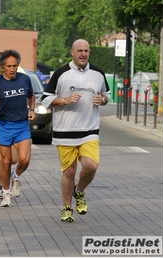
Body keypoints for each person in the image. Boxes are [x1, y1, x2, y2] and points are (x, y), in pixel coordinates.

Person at [41, 39, 110, 222]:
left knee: (91, 166)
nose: (83, 54)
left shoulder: (98, 73)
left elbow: (106, 94)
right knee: (69, 172)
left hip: (90, 130)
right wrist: (64, 100)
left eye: (86, 50)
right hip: (65, 131)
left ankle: (79, 191)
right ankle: (66, 208)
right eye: (79, 50)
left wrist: (102, 100)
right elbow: (45, 99)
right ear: (72, 52)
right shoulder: (61, 73)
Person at [0, 49, 35, 207]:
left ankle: (16, 176)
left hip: (21, 125)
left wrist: (31, 110)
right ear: (2, 66)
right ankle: (6, 193)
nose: (12, 69)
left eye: (15, 66)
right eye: (9, 66)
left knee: (24, 160)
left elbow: (31, 96)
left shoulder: (24, 79)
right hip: (3, 125)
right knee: (5, 161)